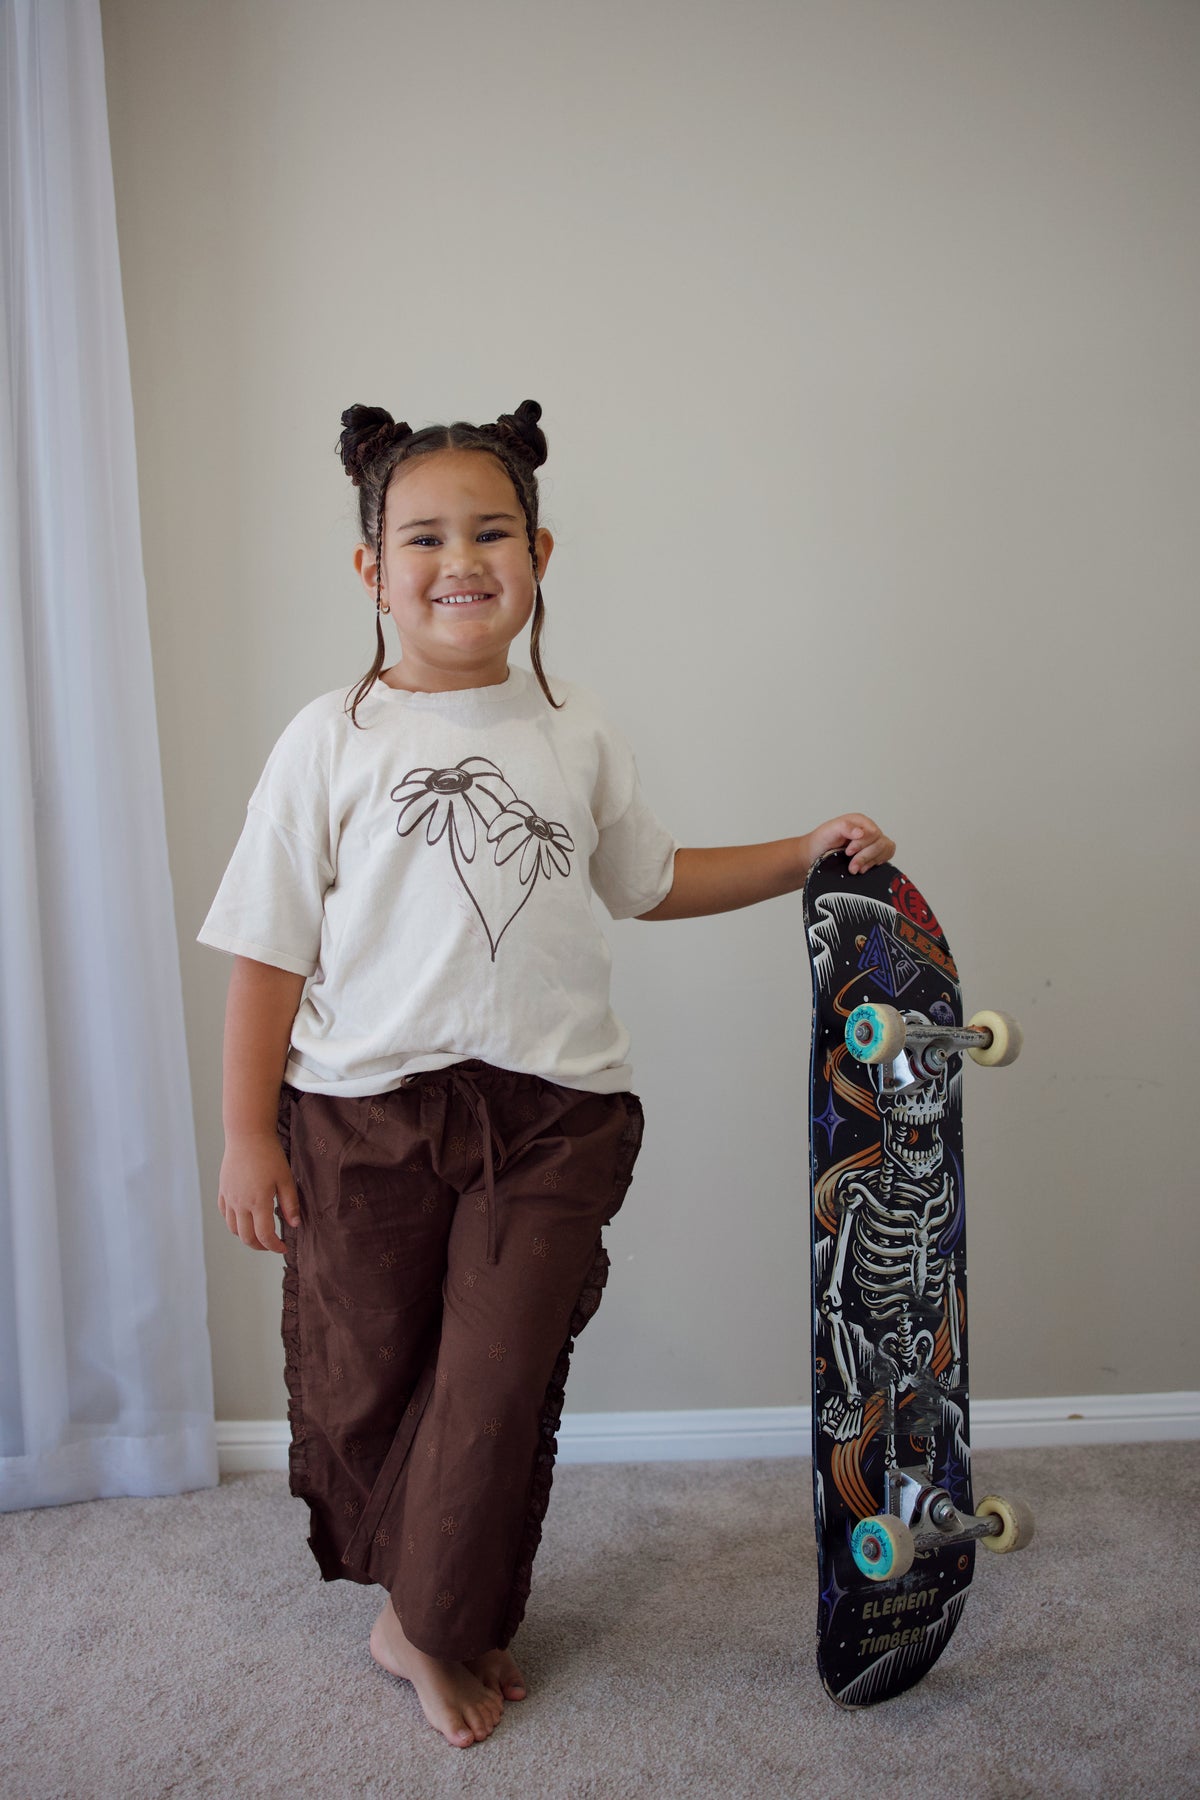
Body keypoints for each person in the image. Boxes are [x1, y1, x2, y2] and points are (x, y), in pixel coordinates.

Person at [198, 399, 895, 1750]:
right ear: (371, 569)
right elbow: (265, 955)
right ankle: (422, 1596)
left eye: (492, 532)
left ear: (540, 553)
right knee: (367, 1376)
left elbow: (651, 879)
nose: (461, 560)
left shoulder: (577, 729)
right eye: (424, 537)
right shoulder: (327, 740)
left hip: (553, 1116)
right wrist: (246, 1133)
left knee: (495, 1384)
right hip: (362, 1117)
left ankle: (429, 1626)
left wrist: (801, 853)